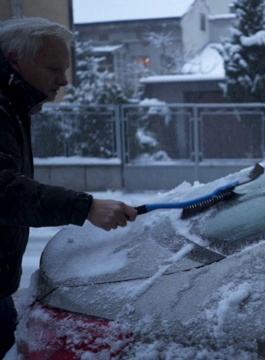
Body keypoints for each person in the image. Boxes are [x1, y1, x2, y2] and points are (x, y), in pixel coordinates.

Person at [0, 17, 139, 357]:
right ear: (16, 59)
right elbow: (2, 191)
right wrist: (85, 206)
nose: (63, 80)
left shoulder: (12, 103)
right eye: (53, 68)